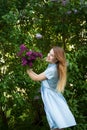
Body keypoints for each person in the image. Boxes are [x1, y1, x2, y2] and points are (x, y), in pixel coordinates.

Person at [27, 46, 76, 130]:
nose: (48, 55)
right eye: (49, 53)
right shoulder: (52, 66)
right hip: (54, 96)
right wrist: (29, 68)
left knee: (56, 123)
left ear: (57, 59)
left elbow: (36, 78)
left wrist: (26, 67)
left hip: (52, 98)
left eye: (52, 55)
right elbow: (39, 76)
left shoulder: (52, 70)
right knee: (58, 122)